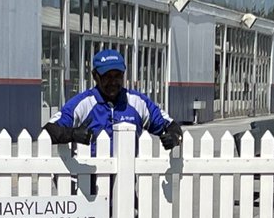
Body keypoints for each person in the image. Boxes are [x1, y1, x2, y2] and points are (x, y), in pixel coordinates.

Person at [43, 49, 182, 149]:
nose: (113, 82)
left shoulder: (137, 102)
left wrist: (174, 137)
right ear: (95, 76)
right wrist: (72, 134)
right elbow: (48, 130)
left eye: (118, 76)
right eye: (107, 76)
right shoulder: (83, 103)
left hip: (125, 182)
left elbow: (170, 125)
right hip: (86, 184)